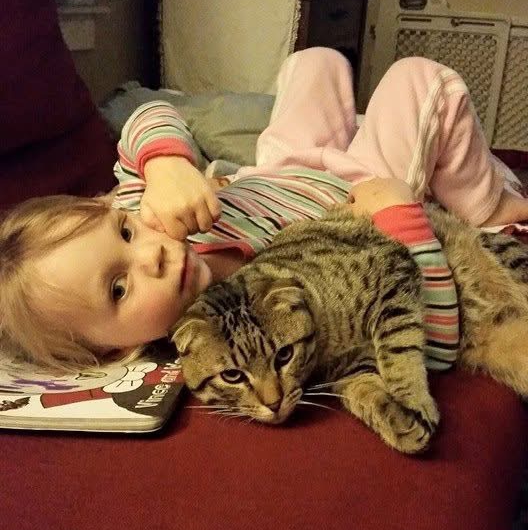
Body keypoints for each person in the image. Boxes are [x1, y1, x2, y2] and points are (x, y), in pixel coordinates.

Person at [1, 48, 527, 374]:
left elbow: (148, 115)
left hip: (275, 169)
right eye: (118, 289)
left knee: (314, 62)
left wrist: (167, 167)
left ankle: (343, 115)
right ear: (117, 352)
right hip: (358, 186)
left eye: (123, 232)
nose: (150, 255)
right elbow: (429, 340)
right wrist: (397, 212)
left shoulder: (143, 208)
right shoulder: (245, 328)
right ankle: (495, 205)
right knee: (423, 80)